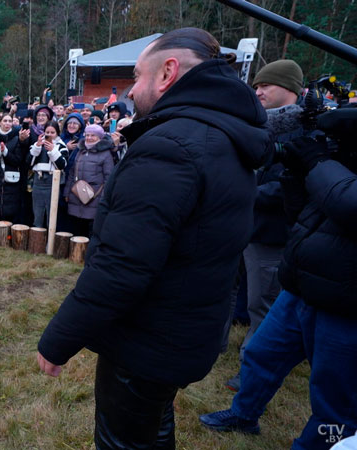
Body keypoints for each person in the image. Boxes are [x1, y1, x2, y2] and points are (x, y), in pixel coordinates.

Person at [36, 28, 271, 449]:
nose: (131, 88)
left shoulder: (171, 146)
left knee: (125, 440)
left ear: (168, 72)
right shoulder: (221, 133)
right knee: (152, 424)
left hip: (148, 339)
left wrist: (59, 339)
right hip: (184, 327)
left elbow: (122, 265)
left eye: (137, 75)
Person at [200, 132, 357, 449]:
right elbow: (304, 213)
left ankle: (319, 445)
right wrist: (295, 173)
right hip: (303, 286)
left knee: (335, 396)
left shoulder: (333, 170)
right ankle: (244, 414)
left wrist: (318, 162)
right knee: (262, 355)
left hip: (346, 302)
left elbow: (349, 205)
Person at [222, 59, 304, 392]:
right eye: (256, 86)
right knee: (223, 291)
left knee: (262, 304)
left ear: (288, 88)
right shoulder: (260, 124)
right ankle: (214, 345)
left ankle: (250, 370)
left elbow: (293, 185)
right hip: (241, 225)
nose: (258, 91)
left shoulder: (307, 130)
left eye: (264, 85)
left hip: (270, 234)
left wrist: (243, 192)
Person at [63, 125, 114, 238]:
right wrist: (67, 193)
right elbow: (72, 173)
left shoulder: (106, 154)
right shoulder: (80, 151)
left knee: (91, 228)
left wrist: (103, 198)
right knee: (76, 226)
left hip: (95, 196)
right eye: (87, 135)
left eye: (93, 135)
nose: (89, 138)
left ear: (100, 137)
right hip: (76, 194)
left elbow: (109, 178)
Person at [26, 120, 68, 228]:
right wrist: (36, 148)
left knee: (51, 214)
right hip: (38, 181)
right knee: (37, 212)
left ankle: (50, 241)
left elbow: (62, 165)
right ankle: (37, 239)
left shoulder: (61, 146)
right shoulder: (37, 144)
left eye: (52, 132)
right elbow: (29, 163)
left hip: (52, 182)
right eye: (47, 132)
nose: (49, 135)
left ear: (57, 133)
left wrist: (53, 150)